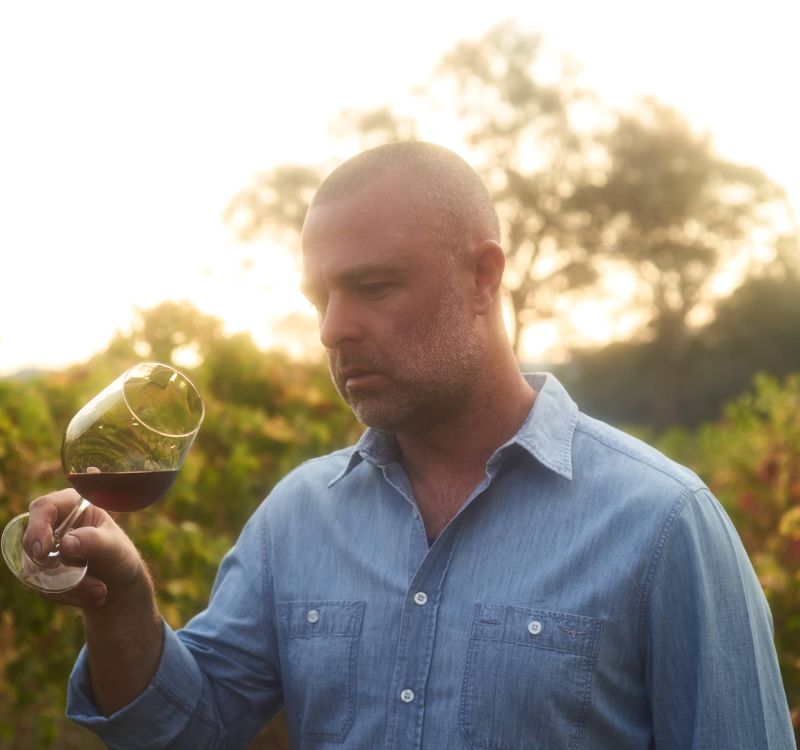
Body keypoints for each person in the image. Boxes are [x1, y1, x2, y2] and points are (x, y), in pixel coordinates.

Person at [27, 141, 795, 748]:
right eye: (320, 299)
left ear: (482, 279)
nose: (333, 328)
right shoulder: (299, 517)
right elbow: (181, 733)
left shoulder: (663, 526)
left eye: (372, 287)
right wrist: (122, 601)